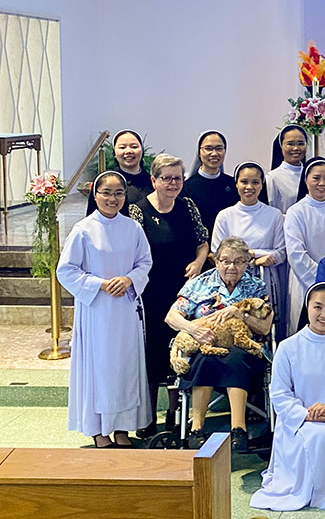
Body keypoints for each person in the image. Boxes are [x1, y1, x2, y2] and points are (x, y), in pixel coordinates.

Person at [250, 283, 325, 513]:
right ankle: (322, 493)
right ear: (307, 307)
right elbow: (280, 393)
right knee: (318, 436)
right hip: (297, 424)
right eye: (318, 307)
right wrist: (306, 414)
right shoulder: (288, 347)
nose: (324, 315)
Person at [58, 170, 153, 448]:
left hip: (125, 308)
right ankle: (99, 430)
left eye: (119, 193)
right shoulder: (83, 230)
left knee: (126, 367)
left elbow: (144, 263)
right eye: (107, 193)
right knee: (101, 369)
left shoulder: (133, 227)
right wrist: (100, 284)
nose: (113, 199)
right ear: (95, 195)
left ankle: (123, 428)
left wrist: (129, 279)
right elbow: (65, 271)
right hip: (97, 312)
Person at [164, 237, 272, 451]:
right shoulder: (200, 283)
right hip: (204, 343)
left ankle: (238, 429)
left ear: (247, 263)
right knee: (205, 359)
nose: (232, 266)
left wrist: (240, 314)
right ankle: (196, 428)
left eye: (239, 261)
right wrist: (195, 329)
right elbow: (171, 317)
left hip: (243, 348)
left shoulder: (256, 286)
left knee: (235, 359)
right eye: (226, 260)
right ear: (216, 261)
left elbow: (266, 327)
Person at [128, 153, 209, 437]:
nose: (173, 183)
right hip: (151, 293)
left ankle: (176, 413)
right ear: (154, 180)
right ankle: (147, 418)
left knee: (180, 350)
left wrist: (199, 262)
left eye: (178, 178)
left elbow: (202, 241)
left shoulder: (187, 206)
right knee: (151, 355)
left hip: (184, 293)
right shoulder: (137, 211)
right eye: (167, 178)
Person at [212, 162, 286, 336]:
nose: (249, 187)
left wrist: (254, 256)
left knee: (265, 328)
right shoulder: (225, 215)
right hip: (231, 280)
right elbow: (217, 251)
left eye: (255, 182)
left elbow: (281, 252)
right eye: (244, 182)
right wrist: (252, 258)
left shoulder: (274, 215)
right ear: (236, 183)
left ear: (262, 185)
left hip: (265, 277)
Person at [284, 157, 325, 329]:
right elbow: (296, 253)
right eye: (316, 178)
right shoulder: (295, 212)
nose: (322, 183)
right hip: (304, 280)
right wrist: (320, 278)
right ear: (306, 180)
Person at [181, 130, 238, 239]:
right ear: (199, 152)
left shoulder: (233, 185)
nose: (214, 153)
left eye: (219, 148)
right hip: (200, 248)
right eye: (208, 148)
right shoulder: (187, 188)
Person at [85, 129, 153, 215]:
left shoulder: (152, 181)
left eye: (134, 146)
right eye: (122, 147)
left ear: (142, 151)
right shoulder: (105, 181)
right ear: (114, 153)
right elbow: (92, 216)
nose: (128, 151)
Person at [266, 124, 308, 214]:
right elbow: (270, 211)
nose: (296, 148)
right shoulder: (273, 178)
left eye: (301, 143)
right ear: (281, 146)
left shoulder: (311, 175)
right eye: (290, 144)